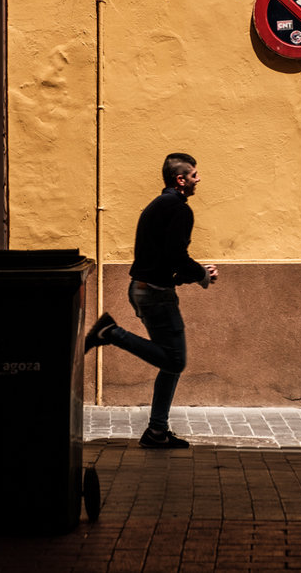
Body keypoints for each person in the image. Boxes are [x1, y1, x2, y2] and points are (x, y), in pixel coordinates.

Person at [84, 152, 218, 449]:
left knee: (169, 364)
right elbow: (175, 257)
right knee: (175, 360)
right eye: (195, 175)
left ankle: (157, 431)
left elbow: (165, 258)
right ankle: (112, 333)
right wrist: (201, 275)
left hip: (146, 288)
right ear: (180, 180)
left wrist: (195, 272)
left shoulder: (158, 206)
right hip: (155, 294)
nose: (199, 179)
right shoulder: (180, 210)